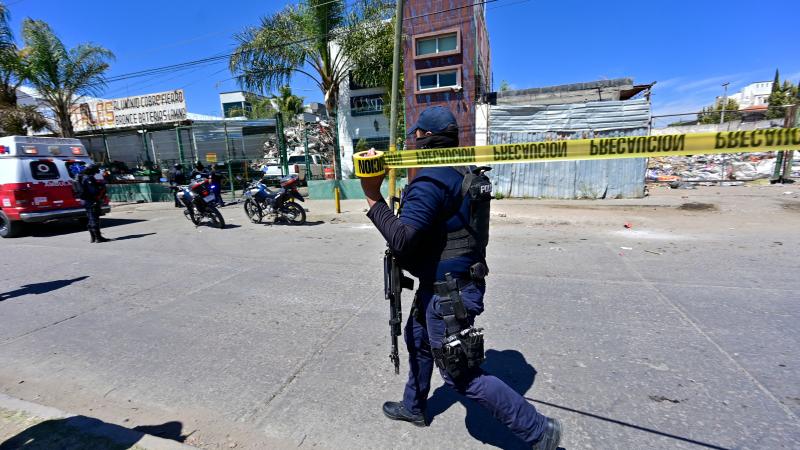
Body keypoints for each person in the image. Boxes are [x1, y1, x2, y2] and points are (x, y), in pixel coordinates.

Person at [360, 106, 562, 449]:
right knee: (418, 341)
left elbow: (403, 238)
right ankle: (414, 407)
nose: (411, 145)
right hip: (446, 284)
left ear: (424, 138)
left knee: (460, 375)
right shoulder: (459, 168)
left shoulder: (430, 179)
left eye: (415, 138)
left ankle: (539, 431)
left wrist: (372, 194)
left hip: (448, 293)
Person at [79, 163, 110, 243]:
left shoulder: (82, 176)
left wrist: (100, 183)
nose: (97, 171)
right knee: (94, 219)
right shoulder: (88, 178)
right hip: (91, 200)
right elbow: (94, 191)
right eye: (95, 169)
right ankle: (98, 238)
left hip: (86, 200)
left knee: (90, 218)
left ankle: (93, 238)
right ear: (91, 169)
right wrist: (100, 188)